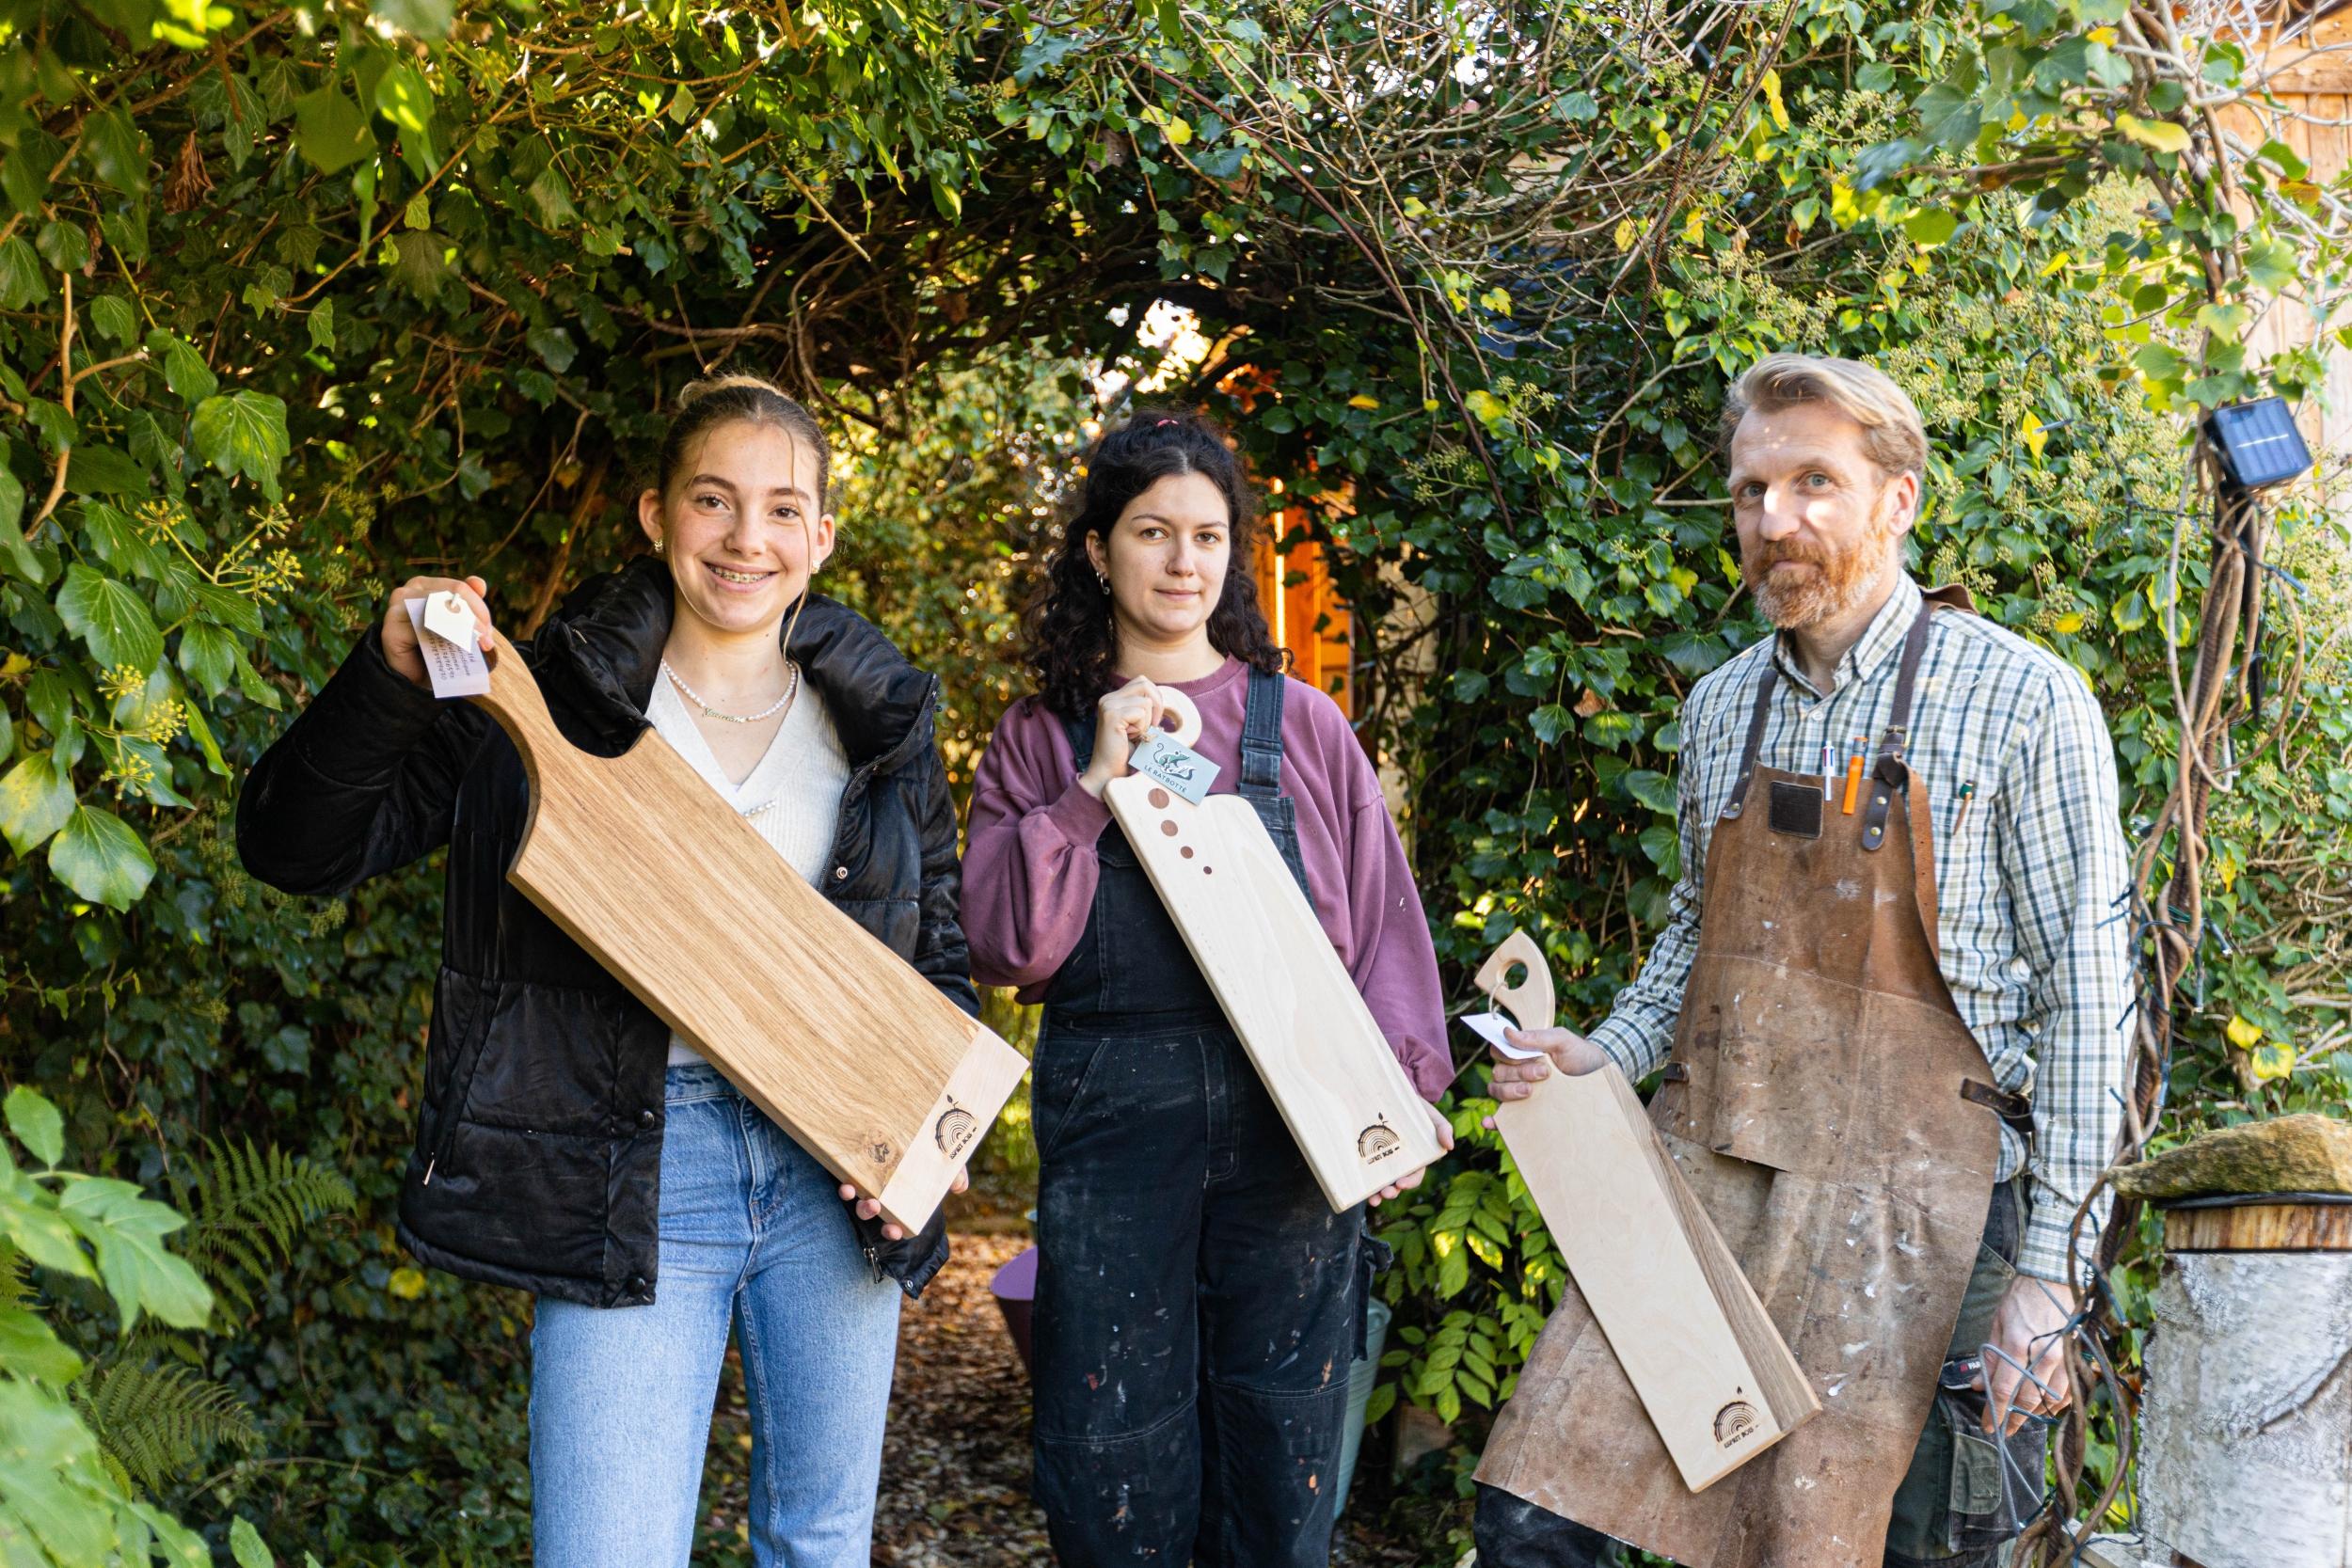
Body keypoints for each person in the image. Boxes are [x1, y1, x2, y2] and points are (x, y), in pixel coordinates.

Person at [238, 376, 977, 1567]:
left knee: (821, 1543)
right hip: (627, 1164)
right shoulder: (545, 709)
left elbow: (936, 961)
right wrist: (388, 674)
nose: (747, 538)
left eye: (784, 509)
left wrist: (922, 1151)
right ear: (653, 514)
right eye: (712, 500)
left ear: (824, 535)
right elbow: (294, 847)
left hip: (833, 1188)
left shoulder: (882, 724)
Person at [1471, 355, 2135, 1568]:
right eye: (1750, 491)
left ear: (1899, 496)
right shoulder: (1721, 710)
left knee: (1904, 1544)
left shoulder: (2025, 701)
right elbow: (1691, 933)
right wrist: (1603, 1051)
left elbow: (2091, 996)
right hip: (1717, 1178)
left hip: (1930, 1218)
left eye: (1813, 483)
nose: (1773, 520)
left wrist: (2050, 1276)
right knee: (1537, 1511)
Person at [962, 410, 1454, 1565]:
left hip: (1297, 1122)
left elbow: (1383, 929)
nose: (1182, 562)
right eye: (1151, 532)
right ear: (1098, 550)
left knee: (1280, 1455)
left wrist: (1395, 1099)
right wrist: (1090, 787)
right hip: (1114, 1126)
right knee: (1108, 1447)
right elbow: (1005, 944)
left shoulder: (1306, 727)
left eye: (1207, 535)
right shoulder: (1039, 738)